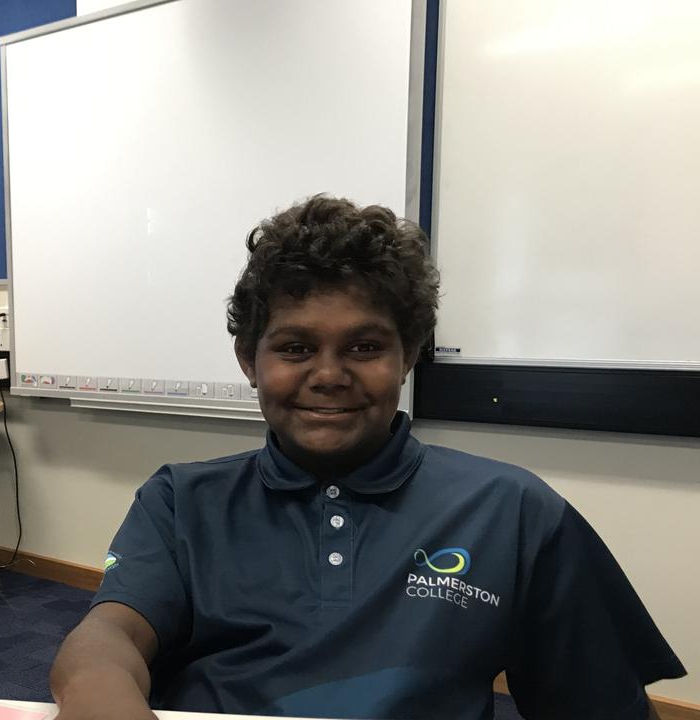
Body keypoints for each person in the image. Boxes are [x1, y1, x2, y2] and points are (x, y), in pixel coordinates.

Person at [49, 195, 685, 720]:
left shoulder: (514, 512)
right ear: (250, 361)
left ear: (407, 354)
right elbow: (107, 641)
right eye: (295, 348)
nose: (329, 375)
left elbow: (603, 707)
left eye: (364, 347)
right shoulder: (180, 502)